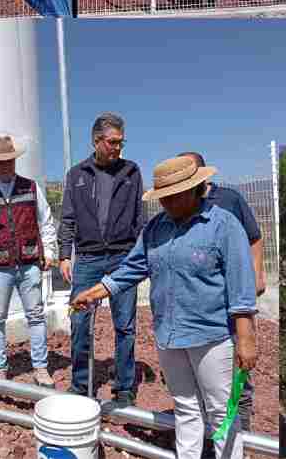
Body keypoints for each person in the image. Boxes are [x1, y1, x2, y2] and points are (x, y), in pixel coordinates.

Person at [70, 154, 257, 459]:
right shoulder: (156, 228)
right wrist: (96, 291)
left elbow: (241, 285)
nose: (166, 203)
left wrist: (246, 337)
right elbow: (132, 267)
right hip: (169, 334)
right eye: (163, 197)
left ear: (195, 190)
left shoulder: (223, 225)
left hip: (212, 335)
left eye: (173, 196)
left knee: (222, 410)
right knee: (185, 406)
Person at [59, 113, 144, 404]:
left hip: (123, 257)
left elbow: (138, 217)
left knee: (125, 325)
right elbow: (67, 218)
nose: (118, 148)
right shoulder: (77, 174)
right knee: (80, 322)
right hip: (88, 258)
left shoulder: (131, 172)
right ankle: (81, 385)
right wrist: (64, 256)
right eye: (112, 142)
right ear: (97, 141)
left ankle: (124, 387)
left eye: (121, 142)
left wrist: (138, 255)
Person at [0, 135, 59, 388]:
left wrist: (49, 252)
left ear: (15, 160)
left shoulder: (31, 187)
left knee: (36, 316)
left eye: (9, 161)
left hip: (29, 263)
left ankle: (40, 368)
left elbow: (46, 221)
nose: (5, 166)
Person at [179, 153, 265, 433]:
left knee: (240, 357)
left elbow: (254, 237)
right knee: (208, 368)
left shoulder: (229, 199)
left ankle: (242, 429)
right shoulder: (181, 203)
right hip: (204, 302)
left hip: (234, 295)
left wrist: (257, 275)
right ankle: (210, 431)